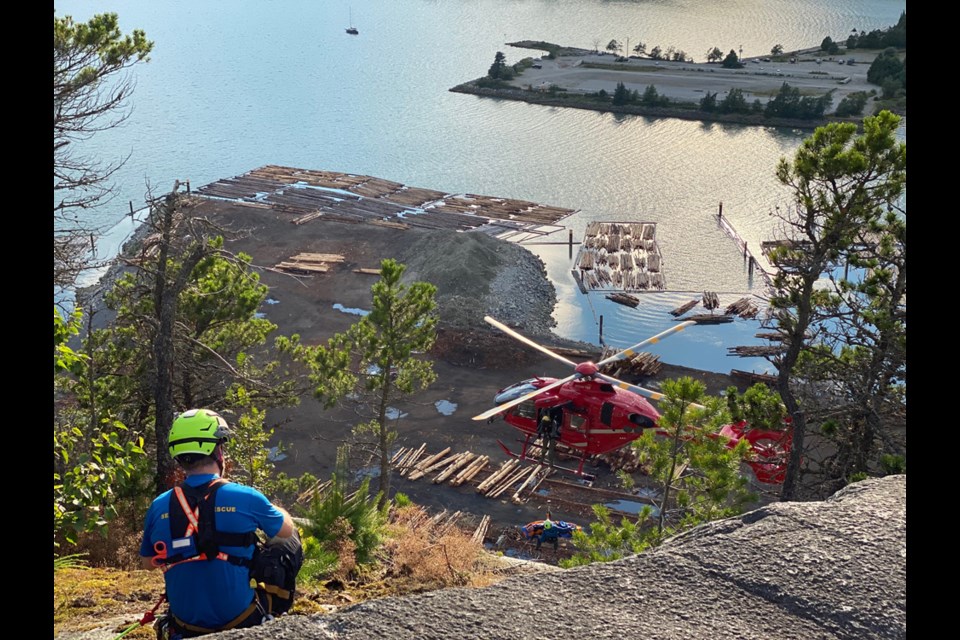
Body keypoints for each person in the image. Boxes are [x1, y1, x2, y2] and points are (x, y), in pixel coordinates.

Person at [140, 409, 303, 639]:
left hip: (185, 626)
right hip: (241, 619)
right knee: (290, 540)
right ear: (218, 451)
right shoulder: (245, 496)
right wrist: (278, 510)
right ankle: (273, 613)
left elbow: (148, 563)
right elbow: (285, 531)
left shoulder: (159, 505)